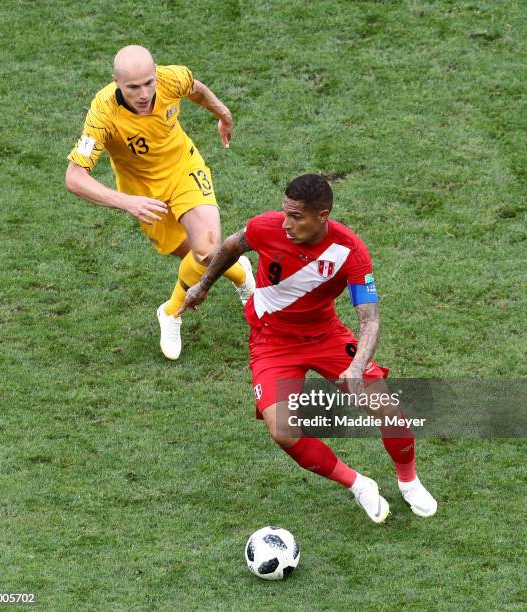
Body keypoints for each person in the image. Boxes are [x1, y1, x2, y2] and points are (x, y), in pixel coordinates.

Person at [178, 174, 437, 523]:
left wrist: (357, 367)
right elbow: (231, 246)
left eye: (297, 217)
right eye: (286, 213)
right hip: (272, 341)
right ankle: (358, 484)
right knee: (283, 431)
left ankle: (409, 482)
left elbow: (370, 320)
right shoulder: (266, 227)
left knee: (387, 410)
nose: (286, 224)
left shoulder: (350, 251)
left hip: (324, 336)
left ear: (322, 216)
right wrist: (203, 285)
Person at [65, 45, 254, 360]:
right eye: (133, 87)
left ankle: (170, 312)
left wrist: (223, 112)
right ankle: (241, 272)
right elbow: (75, 177)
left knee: (206, 249)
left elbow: (196, 90)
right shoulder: (103, 112)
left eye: (148, 83)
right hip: (142, 194)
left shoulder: (170, 78)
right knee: (199, 259)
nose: (143, 93)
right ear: (116, 82)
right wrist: (127, 202)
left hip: (184, 170)